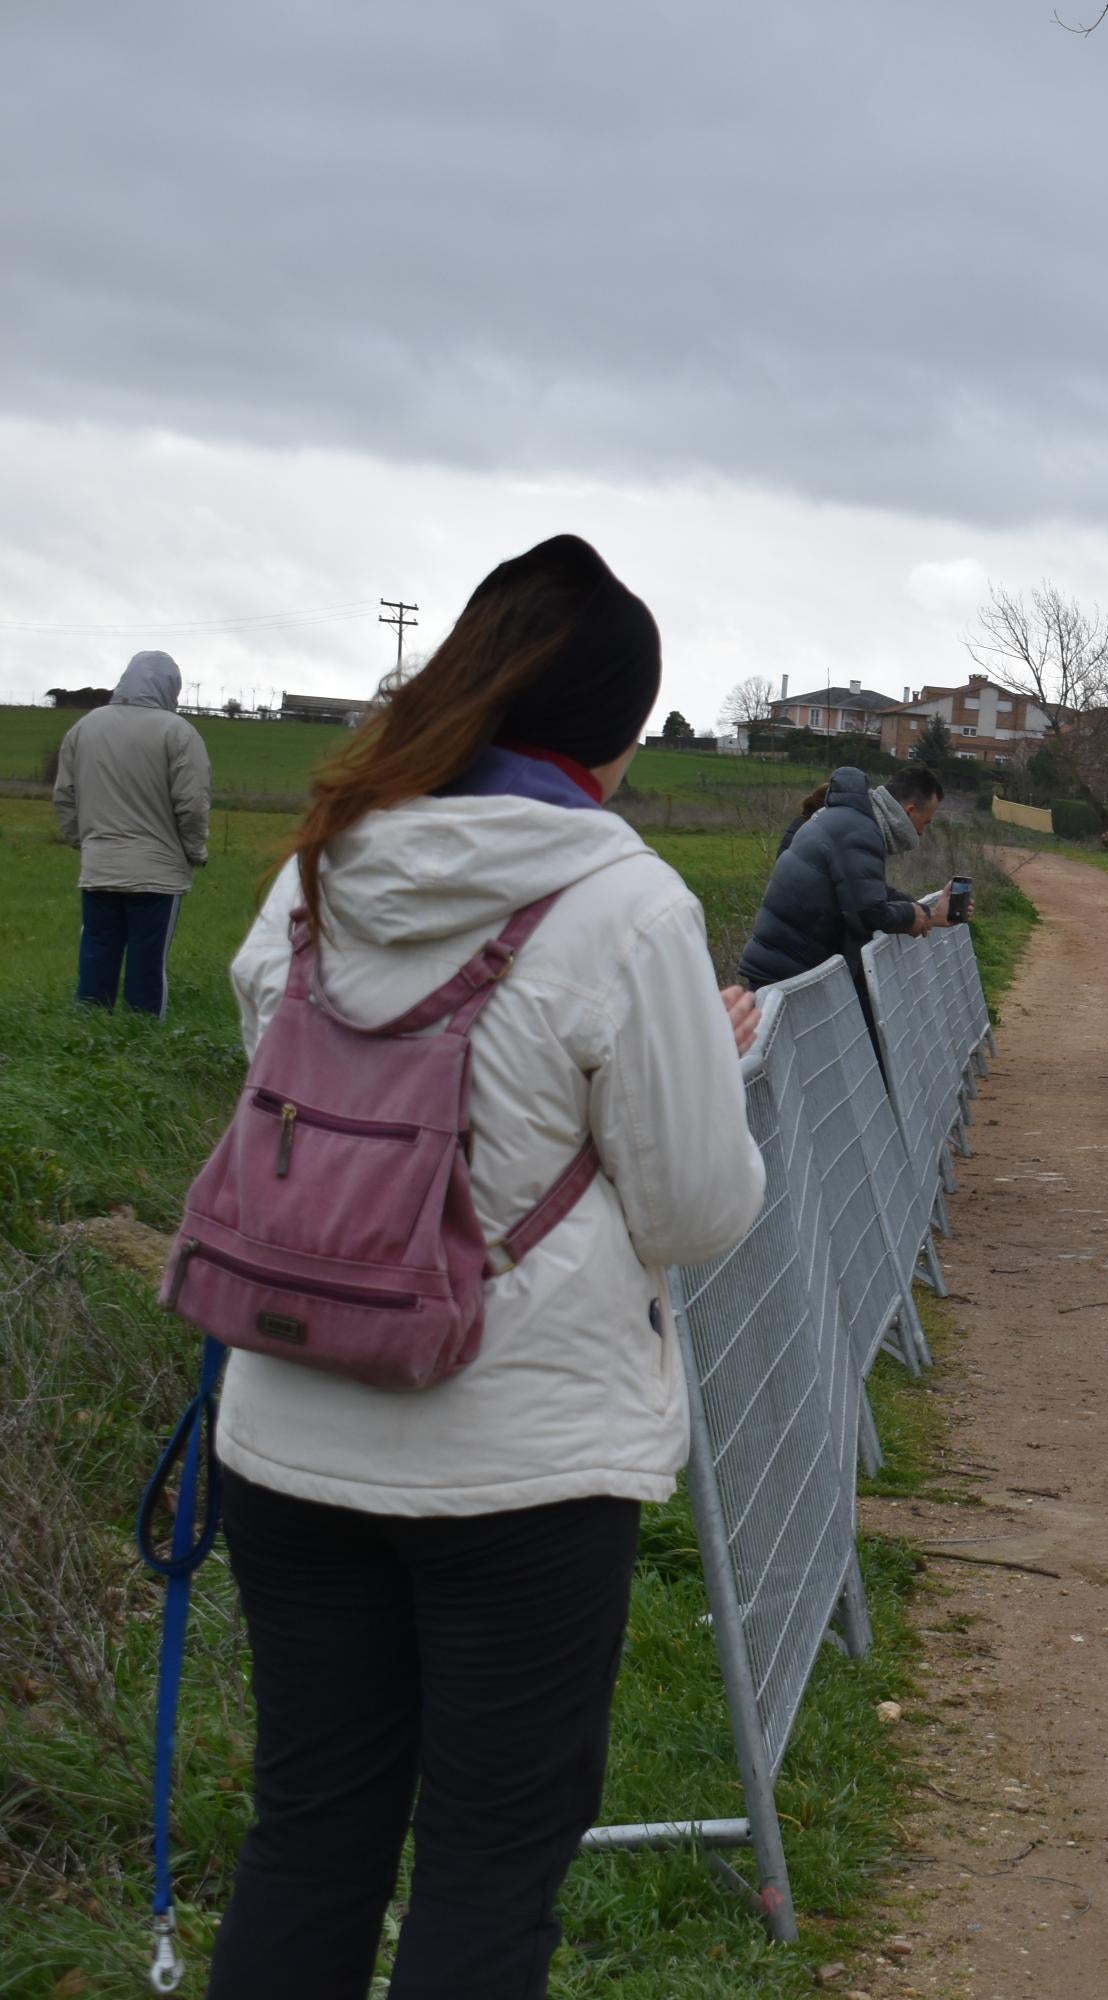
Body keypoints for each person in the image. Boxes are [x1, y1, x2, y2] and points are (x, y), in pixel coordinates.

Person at [207, 534, 766, 1997]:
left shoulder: (320, 865)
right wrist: (710, 1068)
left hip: (287, 1435)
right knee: (486, 1870)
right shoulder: (626, 905)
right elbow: (696, 1208)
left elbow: (285, 1113)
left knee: (310, 1838)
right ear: (618, 734)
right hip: (518, 1471)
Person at [52, 649, 211, 1015]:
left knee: (96, 953)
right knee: (147, 965)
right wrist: (194, 851)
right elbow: (192, 804)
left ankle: (89, 1037)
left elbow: (64, 796)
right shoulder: (180, 734)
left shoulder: (85, 728)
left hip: (99, 867)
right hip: (157, 875)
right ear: (172, 687)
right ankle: (140, 1044)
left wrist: (85, 841)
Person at [735, 765, 949, 988]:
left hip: (784, 964)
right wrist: (909, 915)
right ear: (909, 811)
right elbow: (868, 912)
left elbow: (871, 891)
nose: (922, 833)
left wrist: (925, 912)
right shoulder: (860, 830)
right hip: (788, 974)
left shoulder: (850, 820)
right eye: (925, 822)